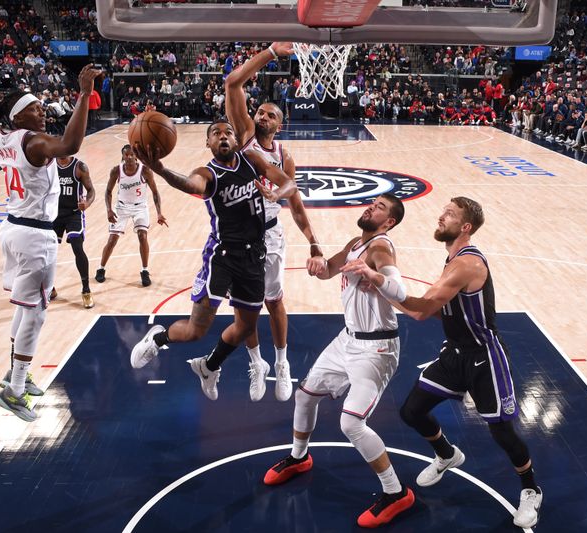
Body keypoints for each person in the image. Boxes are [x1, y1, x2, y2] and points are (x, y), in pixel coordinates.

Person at [344, 197, 542, 528]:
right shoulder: (451, 259)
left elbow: (421, 309)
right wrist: (392, 295)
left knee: (502, 432)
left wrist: (380, 282)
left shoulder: (467, 264)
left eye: (449, 214)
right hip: (455, 354)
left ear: (465, 227)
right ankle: (448, 454)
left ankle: (531, 488)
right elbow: (433, 312)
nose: (441, 216)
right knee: (411, 412)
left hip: (484, 357)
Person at [264, 194, 414, 528]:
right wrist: (318, 266)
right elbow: (330, 270)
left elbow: (399, 288)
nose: (371, 207)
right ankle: (300, 458)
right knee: (305, 395)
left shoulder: (380, 249)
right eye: (372, 203)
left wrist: (374, 275)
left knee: (351, 423)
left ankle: (396, 492)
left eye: (380, 208)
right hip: (348, 339)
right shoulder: (355, 242)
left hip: (376, 350)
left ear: (389, 222)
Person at [0, 63, 101, 422]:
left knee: (23, 308)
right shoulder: (35, 141)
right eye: (34, 108)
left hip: (12, 229)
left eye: (42, 107)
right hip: (35, 237)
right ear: (19, 117)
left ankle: (18, 375)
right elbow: (71, 144)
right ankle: (14, 391)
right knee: (36, 314)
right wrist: (84, 92)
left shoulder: (2, 140)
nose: (42, 111)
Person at [129, 119, 297, 401]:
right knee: (196, 331)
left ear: (236, 140)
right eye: (216, 133)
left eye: (228, 132)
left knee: (245, 327)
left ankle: (208, 366)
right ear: (207, 143)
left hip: (254, 256)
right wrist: (161, 170)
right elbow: (189, 184)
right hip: (222, 256)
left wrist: (276, 193)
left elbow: (289, 182)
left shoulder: (251, 160)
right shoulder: (208, 173)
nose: (223, 136)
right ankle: (158, 338)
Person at [225, 41, 322, 402]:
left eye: (270, 115)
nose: (262, 117)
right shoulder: (245, 136)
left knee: (273, 301)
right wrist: (271, 52)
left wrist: (313, 240)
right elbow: (233, 84)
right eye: (260, 112)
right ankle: (257, 363)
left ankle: (282, 363)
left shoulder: (283, 155)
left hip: (269, 234)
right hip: (236, 234)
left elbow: (294, 199)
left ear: (279, 126)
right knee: (243, 307)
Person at [95, 144, 167, 287]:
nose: (129, 157)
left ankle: (145, 271)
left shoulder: (145, 171)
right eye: (126, 155)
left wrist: (159, 213)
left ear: (136, 156)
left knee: (143, 236)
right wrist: (108, 210)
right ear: (122, 156)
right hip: (121, 207)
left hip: (140, 207)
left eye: (132, 155)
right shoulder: (116, 171)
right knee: (112, 240)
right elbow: (108, 191)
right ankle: (101, 268)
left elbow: (155, 192)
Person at [52, 155, 96, 308]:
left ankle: (86, 290)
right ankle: (49, 288)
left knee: (77, 247)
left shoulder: (80, 167)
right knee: (47, 251)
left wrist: (87, 203)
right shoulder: (49, 165)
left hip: (74, 213)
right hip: (54, 213)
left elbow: (91, 190)